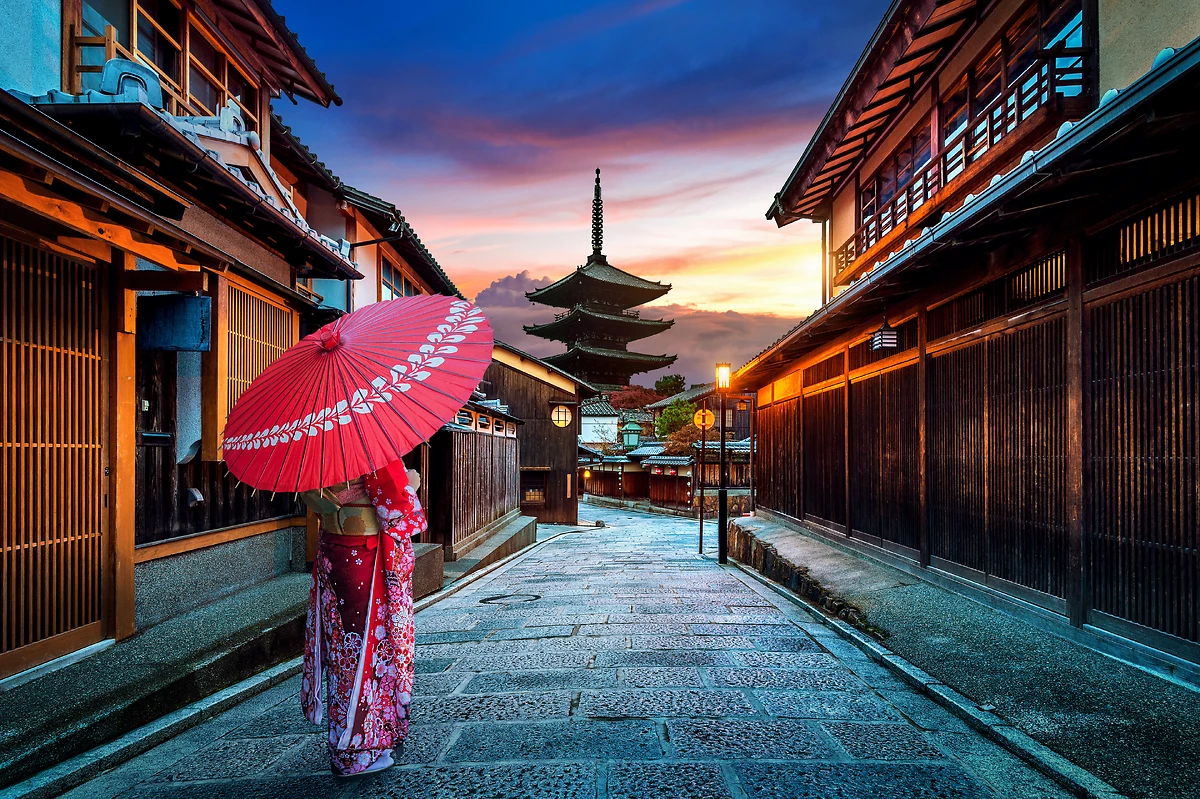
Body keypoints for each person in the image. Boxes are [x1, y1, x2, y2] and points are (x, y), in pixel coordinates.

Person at [298, 459, 426, 777]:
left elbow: (318, 500)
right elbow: (396, 505)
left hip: (332, 549)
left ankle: (363, 739)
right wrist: (411, 481)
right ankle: (353, 753)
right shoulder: (364, 446)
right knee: (362, 654)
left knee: (344, 651)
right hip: (362, 556)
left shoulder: (319, 446)